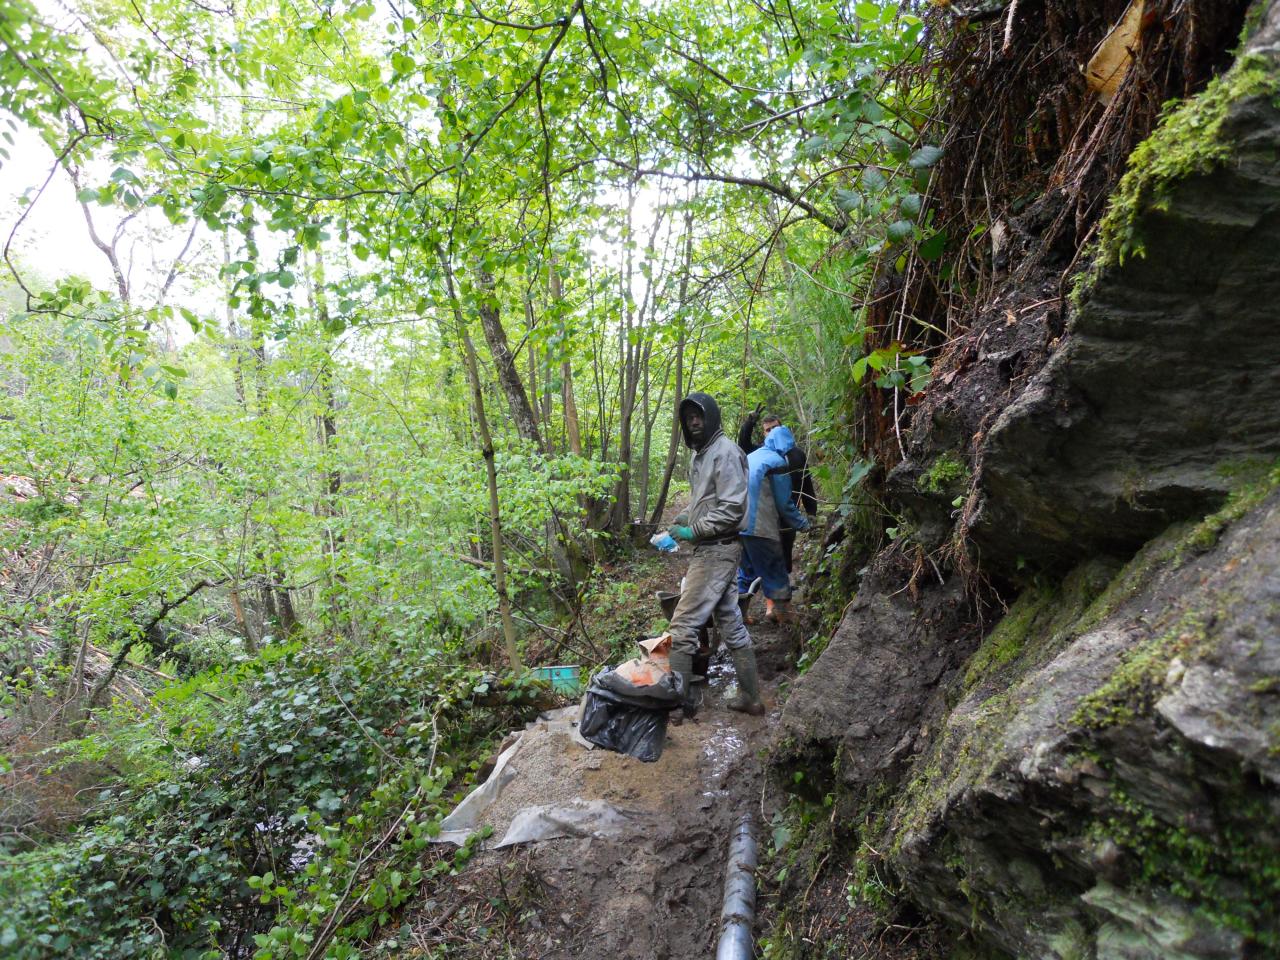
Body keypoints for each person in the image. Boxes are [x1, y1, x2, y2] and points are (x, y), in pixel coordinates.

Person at [666, 392, 765, 717]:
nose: (694, 422)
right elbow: (712, 502)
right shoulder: (703, 455)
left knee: (681, 627)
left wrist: (693, 531)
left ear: (712, 417)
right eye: (688, 417)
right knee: (730, 623)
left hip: (715, 552)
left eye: (699, 416)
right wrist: (687, 518)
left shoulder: (724, 452)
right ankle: (750, 698)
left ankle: (678, 708)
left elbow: (732, 509)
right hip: (716, 549)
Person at [738, 424, 810, 624]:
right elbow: (784, 503)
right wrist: (803, 524)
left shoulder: (751, 457)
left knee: (747, 572)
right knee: (775, 569)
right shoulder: (777, 462)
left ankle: (737, 617)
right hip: (760, 527)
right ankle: (785, 618)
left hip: (739, 525)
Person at [738, 410, 817, 577]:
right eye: (768, 430)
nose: (772, 432)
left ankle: (783, 581)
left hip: (790, 509)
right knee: (765, 549)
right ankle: (766, 584)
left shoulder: (797, 454)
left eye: (775, 428)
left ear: (782, 428)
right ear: (764, 433)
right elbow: (743, 445)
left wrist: (812, 512)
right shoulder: (762, 452)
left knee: (786, 545)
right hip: (766, 511)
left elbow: (806, 483)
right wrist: (749, 423)